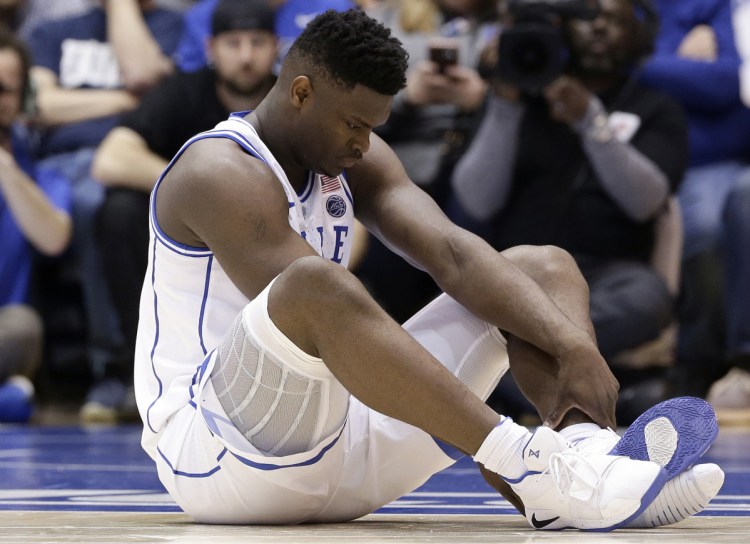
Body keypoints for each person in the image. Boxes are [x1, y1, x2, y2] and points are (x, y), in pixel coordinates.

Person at [134, 9, 722, 529]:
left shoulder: (345, 152)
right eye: (355, 125)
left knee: (540, 270)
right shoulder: (218, 171)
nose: (365, 144)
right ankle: (529, 463)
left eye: (374, 127)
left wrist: (572, 344)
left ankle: (585, 462)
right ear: (302, 93)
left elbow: (454, 254)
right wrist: (498, 441)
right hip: (223, 460)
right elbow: (324, 315)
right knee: (315, 284)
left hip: (346, 446)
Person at [449, 0, 688, 423]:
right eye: (588, 18)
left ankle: (508, 387)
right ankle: (607, 396)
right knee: (467, 300)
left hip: (611, 275)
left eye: (613, 20)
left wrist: (590, 122)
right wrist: (504, 106)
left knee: (647, 298)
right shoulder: (520, 97)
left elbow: (646, 200)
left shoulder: (657, 108)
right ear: (563, 30)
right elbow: (476, 198)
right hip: (520, 275)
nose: (598, 29)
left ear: (639, 34)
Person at [86, 0, 279, 423]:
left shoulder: (290, 102)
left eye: (257, 42)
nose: (246, 55)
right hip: (189, 237)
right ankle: (126, 369)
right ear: (211, 46)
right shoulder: (184, 91)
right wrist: (199, 191)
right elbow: (111, 160)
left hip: (273, 234)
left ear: (277, 46)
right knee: (117, 211)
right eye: (234, 43)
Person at [26, 0, 183, 421]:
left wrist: (121, 7)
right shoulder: (53, 31)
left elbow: (144, 75)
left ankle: (116, 366)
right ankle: (92, 365)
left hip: (124, 160)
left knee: (103, 205)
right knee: (74, 202)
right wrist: (121, 100)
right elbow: (37, 104)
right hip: (57, 163)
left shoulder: (169, 25)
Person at [356, 0, 497, 323]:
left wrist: (481, 101)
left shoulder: (505, 25)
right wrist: (409, 99)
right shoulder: (382, 24)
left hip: (474, 163)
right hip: (401, 159)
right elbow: (352, 114)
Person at [637, 0, 750, 402]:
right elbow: (603, 65)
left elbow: (723, 83)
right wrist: (672, 64)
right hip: (656, 157)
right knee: (701, 225)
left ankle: (726, 364)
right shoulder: (628, 9)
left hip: (723, 159)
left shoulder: (714, 5)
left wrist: (644, 63)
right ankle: (697, 366)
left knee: (729, 213)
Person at [0, 28, 72, 422]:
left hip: (4, 328)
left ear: (21, 97)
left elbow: (54, 238)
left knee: (24, 327)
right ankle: (8, 401)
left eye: (1, 89)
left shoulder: (44, 178)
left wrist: (5, 166)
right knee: (15, 402)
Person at [173, 0, 355, 73]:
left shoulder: (334, 9)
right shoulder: (204, 16)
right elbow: (187, 88)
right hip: (218, 123)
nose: (246, 56)